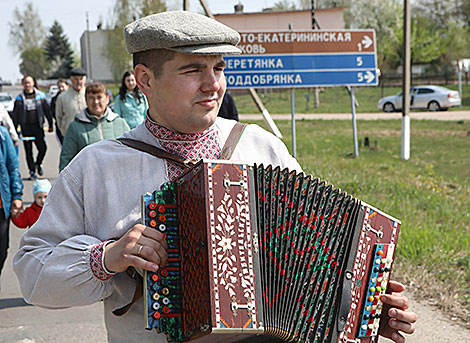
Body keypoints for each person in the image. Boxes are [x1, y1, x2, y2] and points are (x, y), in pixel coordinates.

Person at [13, 11, 416, 343]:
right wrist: (107, 257)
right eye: (193, 70)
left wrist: (362, 308)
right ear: (145, 79)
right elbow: (33, 275)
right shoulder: (97, 167)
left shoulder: (260, 147)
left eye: (219, 68)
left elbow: (315, 264)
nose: (213, 84)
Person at [59, 82, 130, 170]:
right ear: (86, 100)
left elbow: (131, 155)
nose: (96, 102)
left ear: (107, 99)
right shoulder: (75, 127)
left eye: (99, 97)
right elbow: (66, 159)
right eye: (91, 98)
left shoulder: (120, 123)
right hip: (88, 180)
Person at [11, 76, 53, 179]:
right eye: (25, 83)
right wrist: (15, 129)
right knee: (28, 151)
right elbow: (15, 116)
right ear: (23, 84)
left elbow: (47, 111)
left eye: (29, 82)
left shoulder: (41, 96)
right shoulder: (19, 98)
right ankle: (32, 171)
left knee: (43, 148)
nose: (27, 85)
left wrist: (51, 124)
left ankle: (38, 163)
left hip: (38, 127)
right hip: (26, 129)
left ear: (33, 83)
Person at [0, 126, 23, 280]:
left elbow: (12, 166)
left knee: (1, 251)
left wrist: (16, 195)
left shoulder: (1, 134)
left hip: (1, 206)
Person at [55, 68, 87, 142]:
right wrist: (64, 131)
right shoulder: (62, 97)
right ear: (71, 80)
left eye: (81, 79)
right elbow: (59, 117)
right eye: (76, 79)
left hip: (88, 135)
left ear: (85, 80)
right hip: (70, 136)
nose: (79, 82)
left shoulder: (90, 94)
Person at [50, 79, 69, 144]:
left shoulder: (72, 97)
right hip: (61, 126)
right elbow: (53, 112)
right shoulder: (55, 99)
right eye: (59, 87)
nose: (61, 89)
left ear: (67, 86)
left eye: (62, 86)